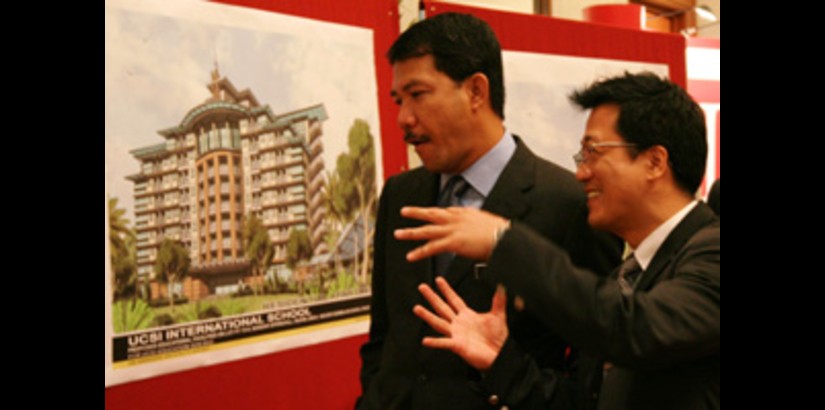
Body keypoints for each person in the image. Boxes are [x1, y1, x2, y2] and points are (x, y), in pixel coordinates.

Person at [396, 72, 720, 410]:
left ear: (654, 162)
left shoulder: (711, 253)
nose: (581, 173)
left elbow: (638, 330)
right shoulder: (626, 277)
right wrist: (501, 359)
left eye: (593, 152)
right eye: (582, 157)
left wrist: (505, 240)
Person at [356, 12, 622, 410]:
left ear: (476, 91)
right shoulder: (400, 194)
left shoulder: (568, 204)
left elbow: (588, 373)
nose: (403, 119)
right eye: (399, 100)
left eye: (418, 94)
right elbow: (385, 334)